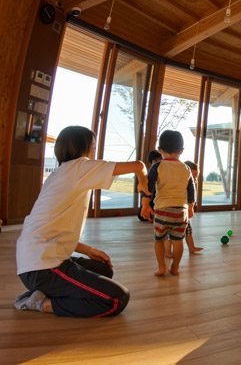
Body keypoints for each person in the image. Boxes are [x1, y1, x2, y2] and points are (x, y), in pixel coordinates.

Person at [14, 125, 148, 317]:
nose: (94, 152)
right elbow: (138, 165)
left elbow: (56, 230)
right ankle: (40, 303)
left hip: (35, 261)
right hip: (43, 267)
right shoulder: (79, 167)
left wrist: (89, 251)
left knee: (104, 270)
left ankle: (47, 291)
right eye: (93, 147)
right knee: (117, 299)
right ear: (83, 148)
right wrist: (143, 183)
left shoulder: (61, 173)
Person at [140, 130, 195, 276]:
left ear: (160, 150)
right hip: (181, 211)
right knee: (178, 241)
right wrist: (191, 206)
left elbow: (148, 186)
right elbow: (191, 189)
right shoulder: (186, 168)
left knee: (159, 239)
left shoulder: (157, 166)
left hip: (162, 210)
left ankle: (162, 267)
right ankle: (175, 267)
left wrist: (145, 205)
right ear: (181, 151)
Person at [183, 161, 203, 254]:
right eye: (192, 177)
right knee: (172, 234)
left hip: (185, 212)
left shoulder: (191, 185)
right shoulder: (181, 185)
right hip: (179, 211)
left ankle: (191, 248)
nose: (194, 179)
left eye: (196, 177)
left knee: (188, 231)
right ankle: (167, 251)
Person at [136, 150, 162, 222]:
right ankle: (153, 215)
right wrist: (147, 204)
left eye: (159, 159)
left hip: (162, 201)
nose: (157, 162)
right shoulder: (149, 172)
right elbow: (144, 192)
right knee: (140, 214)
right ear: (151, 162)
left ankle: (156, 215)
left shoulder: (165, 170)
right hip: (151, 201)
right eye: (155, 161)